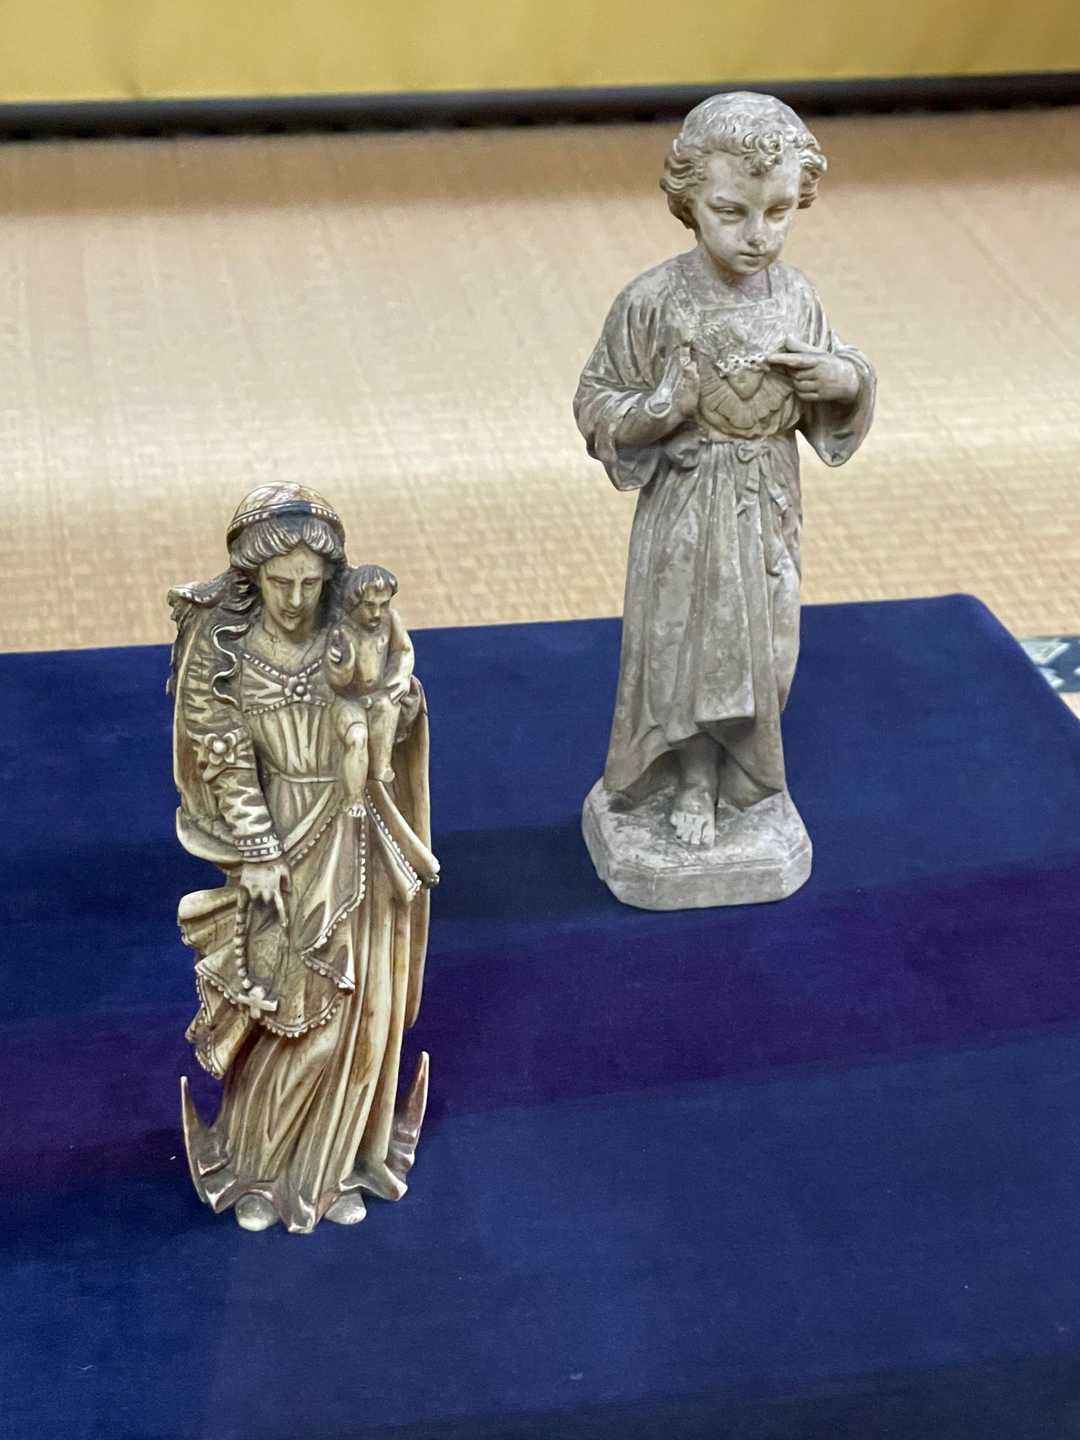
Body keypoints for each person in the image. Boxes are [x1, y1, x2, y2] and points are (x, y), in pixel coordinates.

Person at [574, 92, 875, 852]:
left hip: (767, 504)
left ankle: (745, 781)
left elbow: (843, 371)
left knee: (766, 650)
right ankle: (692, 780)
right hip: (688, 504)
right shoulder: (654, 300)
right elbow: (596, 401)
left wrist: (843, 381)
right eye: (731, 212)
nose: (758, 235)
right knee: (687, 650)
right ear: (688, 202)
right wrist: (660, 409)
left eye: (778, 211)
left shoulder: (796, 296)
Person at [169, 482, 438, 1233]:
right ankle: (257, 1168)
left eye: (311, 584)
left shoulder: (351, 631)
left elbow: (397, 707)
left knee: (360, 1011)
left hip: (357, 832)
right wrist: (256, 848)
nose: (295, 600)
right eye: (279, 583)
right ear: (252, 579)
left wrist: (397, 708)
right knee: (284, 1011)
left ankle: (334, 1164)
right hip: (281, 844)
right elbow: (221, 757)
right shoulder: (224, 650)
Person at [326, 563, 415, 807]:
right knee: (357, 738)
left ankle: (380, 775)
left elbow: (403, 651)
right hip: (349, 701)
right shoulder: (343, 632)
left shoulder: (391, 620)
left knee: (388, 707)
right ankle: (353, 799)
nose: (377, 613)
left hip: (380, 695)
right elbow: (337, 681)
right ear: (353, 603)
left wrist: (400, 677)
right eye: (369, 605)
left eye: (383, 605)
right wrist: (343, 663)